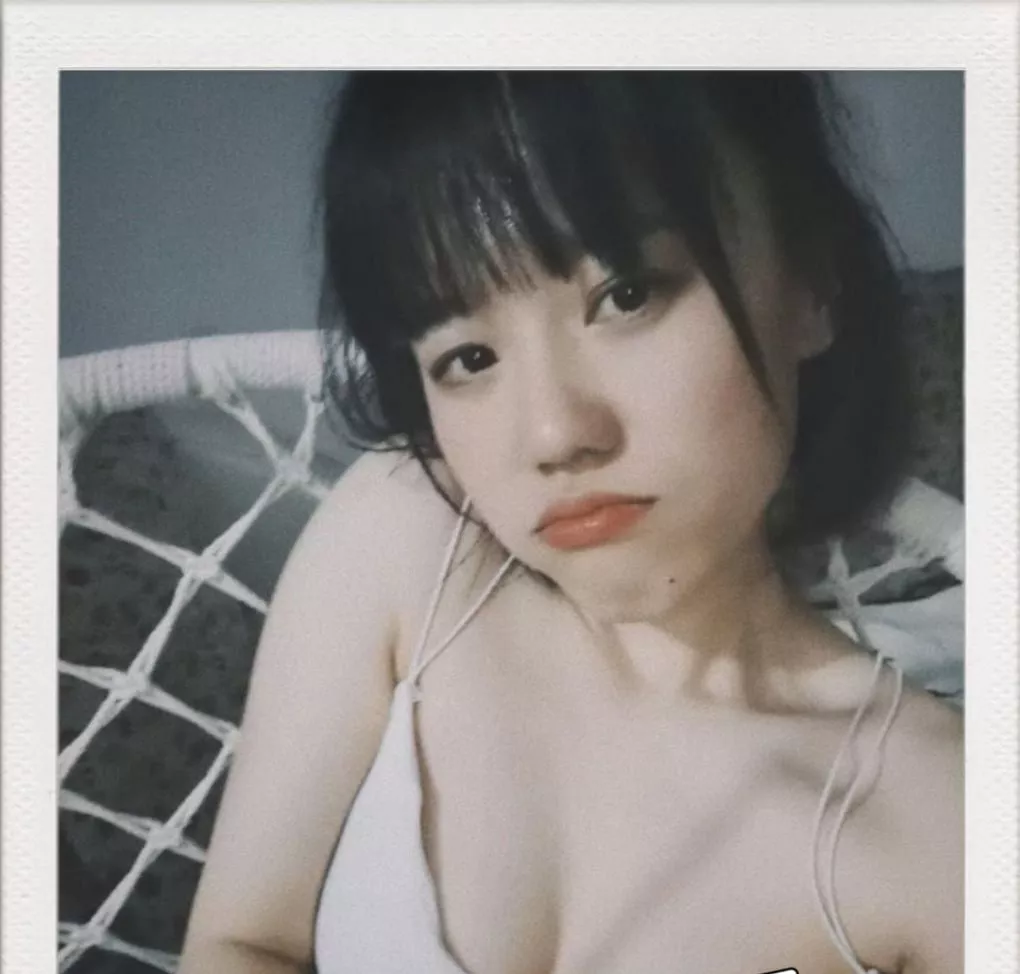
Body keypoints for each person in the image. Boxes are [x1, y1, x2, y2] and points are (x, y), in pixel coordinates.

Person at [178, 72, 962, 974]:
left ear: (810, 281)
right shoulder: (409, 540)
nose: (554, 435)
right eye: (469, 356)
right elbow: (242, 940)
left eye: (626, 295)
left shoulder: (938, 821)